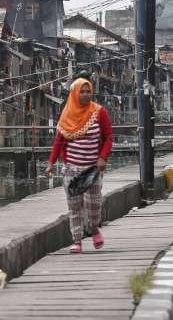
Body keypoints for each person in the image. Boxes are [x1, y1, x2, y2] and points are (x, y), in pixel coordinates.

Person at [45, 77, 113, 254]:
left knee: (94, 205)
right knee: (74, 207)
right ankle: (77, 240)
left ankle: (95, 228)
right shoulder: (66, 114)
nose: (85, 94)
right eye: (81, 91)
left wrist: (103, 158)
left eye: (88, 91)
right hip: (72, 169)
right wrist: (51, 163)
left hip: (93, 169)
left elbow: (108, 138)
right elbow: (58, 142)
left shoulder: (99, 112)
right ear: (74, 93)